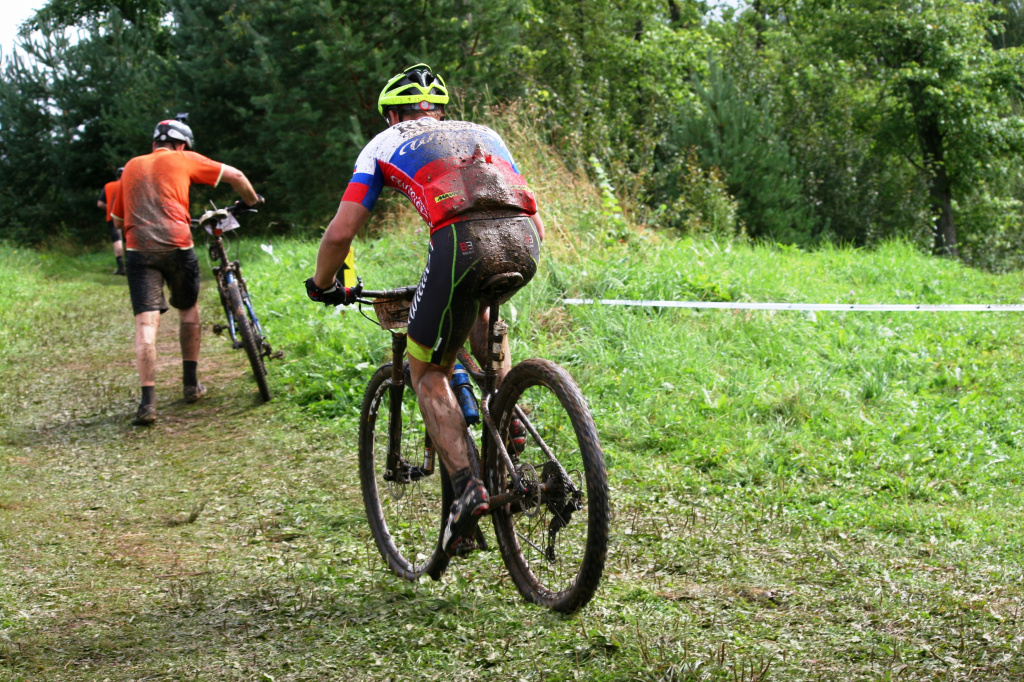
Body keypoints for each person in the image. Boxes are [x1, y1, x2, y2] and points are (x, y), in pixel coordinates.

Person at [305, 64, 545, 556]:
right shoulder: (484, 132)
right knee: (475, 310)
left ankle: (466, 492)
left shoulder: (382, 144)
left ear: (392, 113)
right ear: (437, 111)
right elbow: (526, 204)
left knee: (428, 371)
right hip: (526, 240)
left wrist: (321, 283)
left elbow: (341, 232)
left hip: (461, 243)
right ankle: (509, 409)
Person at [112, 119, 263, 426]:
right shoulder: (183, 158)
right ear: (182, 145)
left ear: (155, 143)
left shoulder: (129, 167)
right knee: (188, 309)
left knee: (146, 323)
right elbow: (236, 175)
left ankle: (147, 403)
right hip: (177, 244)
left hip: (139, 250)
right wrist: (252, 201)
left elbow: (117, 221)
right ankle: (191, 385)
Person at [97, 167, 126, 275]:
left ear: (116, 176)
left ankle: (121, 267)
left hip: (112, 217)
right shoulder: (128, 185)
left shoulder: (108, 186)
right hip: (129, 217)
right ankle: (130, 266)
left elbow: (100, 203)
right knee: (128, 240)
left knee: (117, 240)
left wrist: (109, 207)